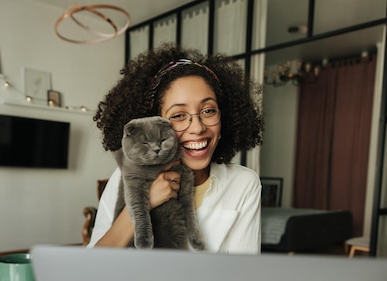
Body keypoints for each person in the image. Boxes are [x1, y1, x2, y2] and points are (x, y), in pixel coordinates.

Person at [88, 43, 264, 254]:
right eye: (178, 115)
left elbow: (242, 275)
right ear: (152, 122)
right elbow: (93, 263)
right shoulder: (126, 175)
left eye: (208, 110)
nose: (198, 128)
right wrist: (144, 202)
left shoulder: (243, 184)